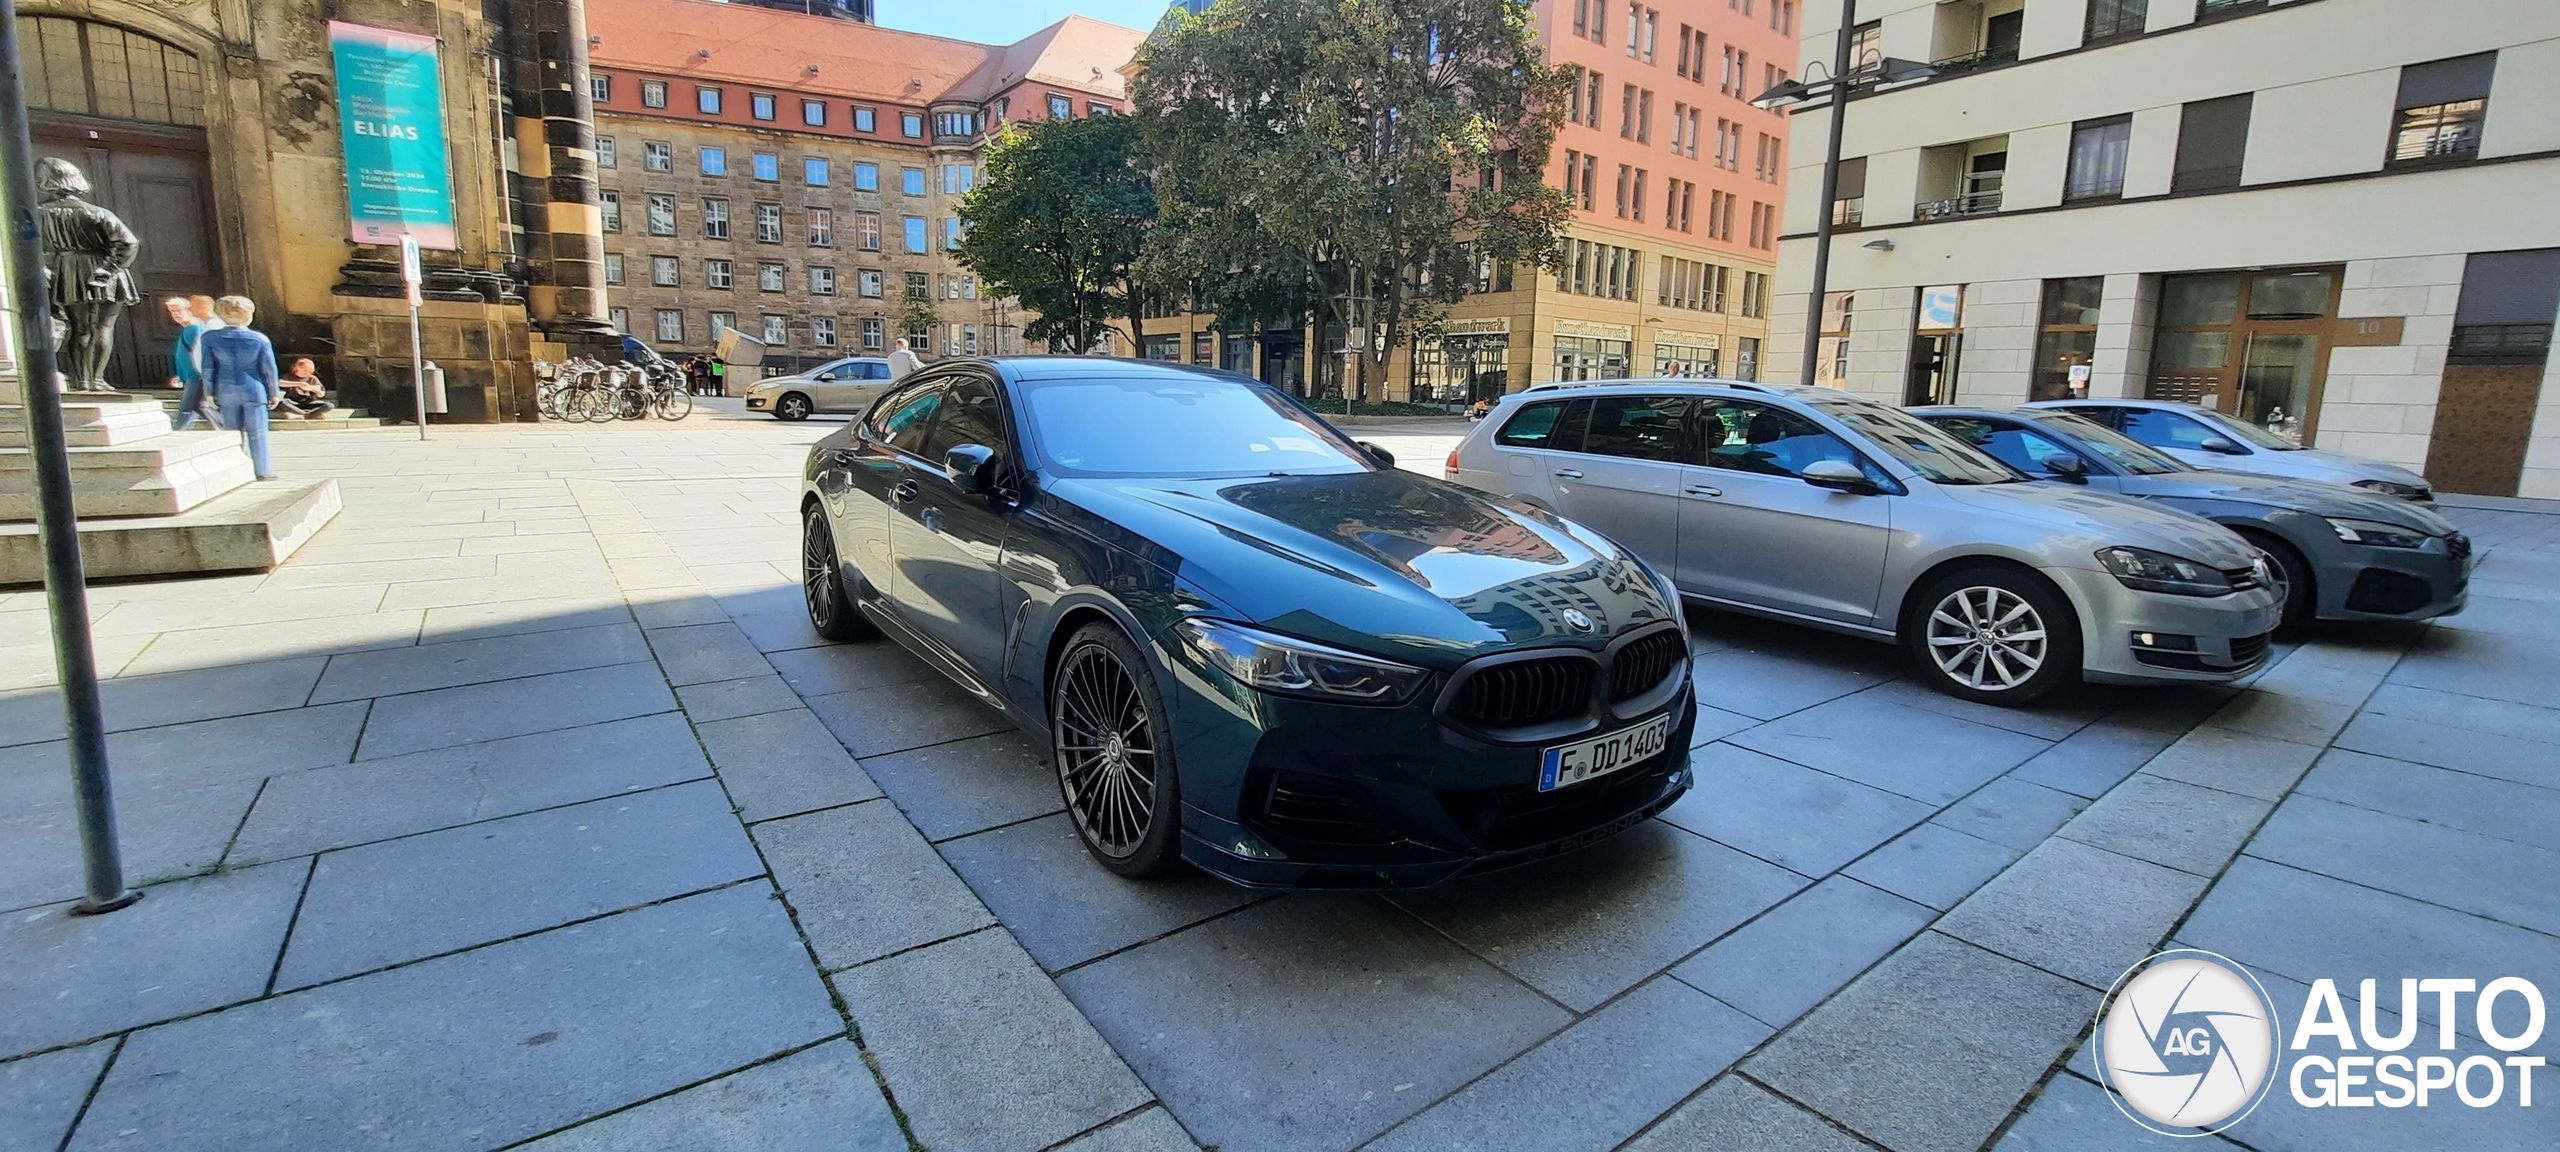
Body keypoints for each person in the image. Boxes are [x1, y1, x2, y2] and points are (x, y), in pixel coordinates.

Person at [197, 296, 281, 480]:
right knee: (258, 432)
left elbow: (208, 367)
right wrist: (273, 392)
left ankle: (235, 468)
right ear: (248, 315)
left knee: (231, 431)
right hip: (254, 388)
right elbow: (269, 368)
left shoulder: (210, 338)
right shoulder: (260, 339)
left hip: (225, 387)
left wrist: (209, 391)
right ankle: (263, 470)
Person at [164, 296, 219, 431]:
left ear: (190, 310)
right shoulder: (189, 329)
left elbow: (199, 354)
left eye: (179, 310)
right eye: (172, 311)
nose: (175, 314)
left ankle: (178, 433)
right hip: (192, 376)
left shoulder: (194, 329)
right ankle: (224, 427)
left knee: (188, 408)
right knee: (198, 407)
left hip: (197, 375)